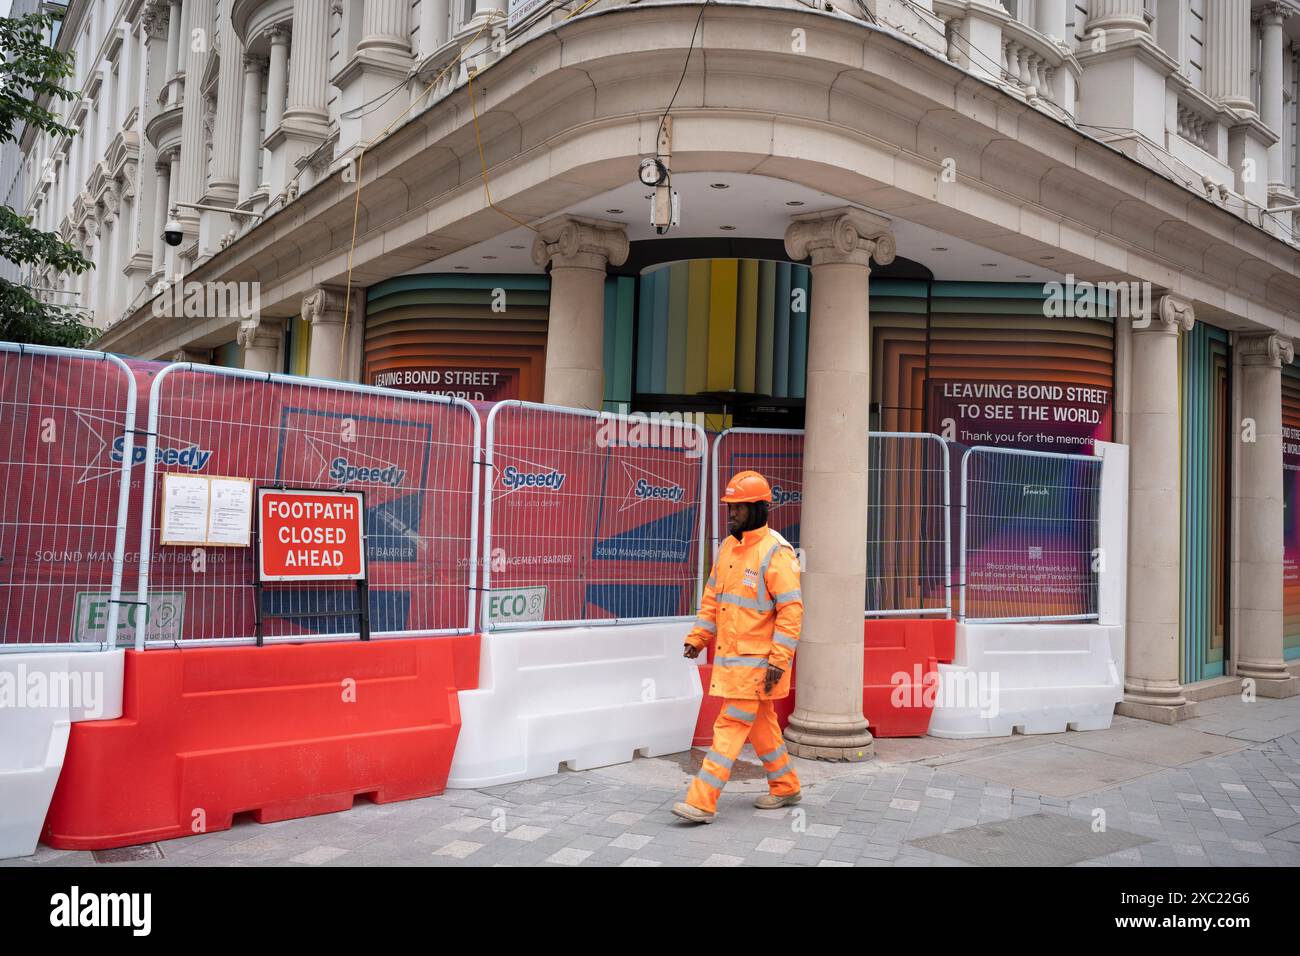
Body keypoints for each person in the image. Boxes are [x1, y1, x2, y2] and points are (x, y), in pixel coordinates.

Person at [672, 469, 802, 824]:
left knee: (729, 725)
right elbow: (714, 597)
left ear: (759, 508)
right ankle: (785, 784)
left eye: (739, 508)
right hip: (734, 661)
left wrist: (779, 659)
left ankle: (701, 800)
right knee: (761, 725)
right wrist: (698, 637)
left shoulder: (776, 552)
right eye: (730, 507)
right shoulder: (729, 547)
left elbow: (792, 610)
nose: (731, 513)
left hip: (760, 663)